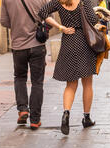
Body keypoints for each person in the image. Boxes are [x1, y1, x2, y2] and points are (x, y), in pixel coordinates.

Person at [39, 0, 100, 134]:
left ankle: (66, 114)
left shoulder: (59, 1)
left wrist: (60, 27)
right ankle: (86, 118)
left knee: (71, 85)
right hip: (84, 42)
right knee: (87, 83)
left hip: (68, 42)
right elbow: (92, 19)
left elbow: (42, 12)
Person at [0, 0, 48, 129]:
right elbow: (50, 19)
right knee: (37, 82)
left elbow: (4, 21)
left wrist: (18, 25)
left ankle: (23, 110)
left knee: (20, 78)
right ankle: (35, 120)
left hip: (18, 46)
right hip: (37, 45)